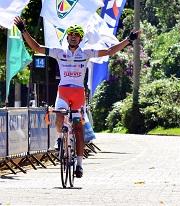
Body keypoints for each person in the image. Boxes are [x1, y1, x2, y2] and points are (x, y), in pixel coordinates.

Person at [14, 16, 140, 178]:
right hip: (64, 92)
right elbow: (37, 48)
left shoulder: (86, 53)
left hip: (79, 95)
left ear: (80, 39)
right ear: (67, 37)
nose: (73, 36)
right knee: (59, 114)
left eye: (77, 35)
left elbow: (109, 51)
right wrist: (24, 30)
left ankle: (79, 165)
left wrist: (128, 40)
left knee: (79, 130)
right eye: (71, 34)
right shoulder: (59, 53)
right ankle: (60, 139)